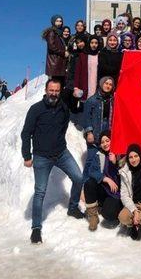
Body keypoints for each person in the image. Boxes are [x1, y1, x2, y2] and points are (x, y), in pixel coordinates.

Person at [21, 79, 84, 244]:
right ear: (46, 90)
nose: (54, 93)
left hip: (61, 152)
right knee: (40, 191)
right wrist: (27, 156)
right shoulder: (36, 109)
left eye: (57, 91)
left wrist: (77, 97)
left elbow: (71, 118)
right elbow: (26, 133)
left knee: (78, 178)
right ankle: (36, 228)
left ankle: (72, 208)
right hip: (42, 157)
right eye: (51, 90)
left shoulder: (62, 107)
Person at [83, 130, 123, 231]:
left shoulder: (120, 154)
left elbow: (125, 175)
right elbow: (91, 171)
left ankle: (117, 210)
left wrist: (115, 163)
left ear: (112, 141)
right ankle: (93, 216)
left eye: (107, 140)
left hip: (117, 192)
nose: (105, 144)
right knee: (89, 183)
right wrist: (105, 179)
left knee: (108, 214)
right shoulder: (99, 155)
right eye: (102, 142)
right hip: (104, 189)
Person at [81, 76, 114, 145]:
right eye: (106, 83)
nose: (108, 86)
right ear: (101, 84)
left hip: (108, 132)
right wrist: (89, 132)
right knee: (94, 154)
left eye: (110, 85)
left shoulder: (112, 100)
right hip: (95, 133)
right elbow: (86, 117)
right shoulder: (92, 100)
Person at [73, 35, 102, 101]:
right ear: (89, 43)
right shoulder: (83, 55)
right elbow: (78, 72)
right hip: (85, 84)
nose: (94, 45)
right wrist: (76, 87)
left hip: (96, 84)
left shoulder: (100, 55)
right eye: (92, 43)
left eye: (96, 43)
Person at [42, 15, 68, 85]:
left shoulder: (58, 33)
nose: (59, 23)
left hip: (59, 64)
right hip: (54, 65)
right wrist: (63, 53)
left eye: (60, 21)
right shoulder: (52, 32)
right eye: (57, 21)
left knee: (60, 85)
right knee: (54, 85)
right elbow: (51, 47)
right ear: (53, 22)